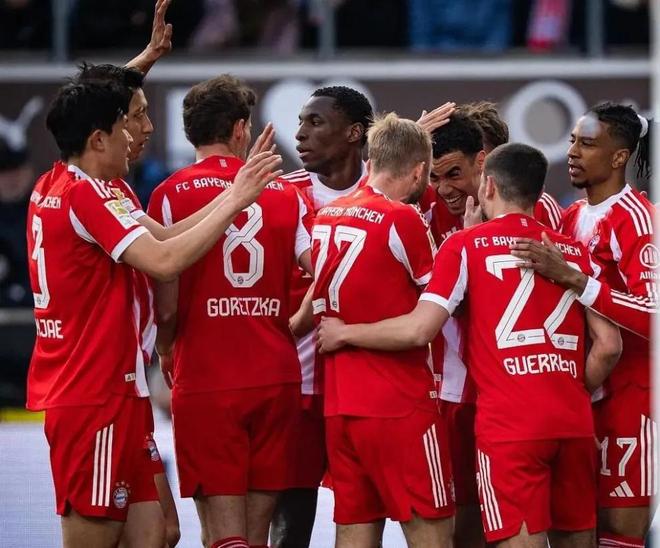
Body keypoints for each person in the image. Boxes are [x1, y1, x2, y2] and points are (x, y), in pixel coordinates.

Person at [317, 142, 622, 548]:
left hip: (510, 427)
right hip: (574, 421)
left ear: (488, 185)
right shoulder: (573, 252)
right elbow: (609, 345)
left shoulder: (464, 246)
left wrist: (345, 333)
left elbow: (419, 330)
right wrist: (568, 389)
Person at [26, 80, 281, 548]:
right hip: (93, 393)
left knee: (161, 532)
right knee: (93, 535)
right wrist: (234, 198)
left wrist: (236, 194)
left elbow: (163, 236)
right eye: (126, 123)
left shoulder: (68, 183)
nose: (136, 133)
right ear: (97, 139)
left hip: (119, 390)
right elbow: (164, 261)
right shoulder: (88, 196)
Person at [147, 75, 311, 548]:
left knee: (223, 537)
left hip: (208, 376)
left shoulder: (170, 195)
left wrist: (166, 351)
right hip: (276, 374)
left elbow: (166, 306)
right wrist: (295, 325)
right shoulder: (286, 194)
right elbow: (324, 271)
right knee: (254, 539)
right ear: (240, 129)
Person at [510, 103, 656, 547]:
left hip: (631, 401)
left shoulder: (639, 219)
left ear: (619, 156)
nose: (572, 152)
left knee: (618, 535)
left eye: (587, 144)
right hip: (577, 400)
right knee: (572, 532)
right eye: (573, 140)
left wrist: (578, 280)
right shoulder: (570, 217)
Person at [312, 113, 454, 548]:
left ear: (371, 162)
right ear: (419, 171)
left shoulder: (326, 215)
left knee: (354, 532)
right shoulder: (402, 218)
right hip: (399, 404)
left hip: (340, 407)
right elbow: (424, 323)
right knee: (432, 534)